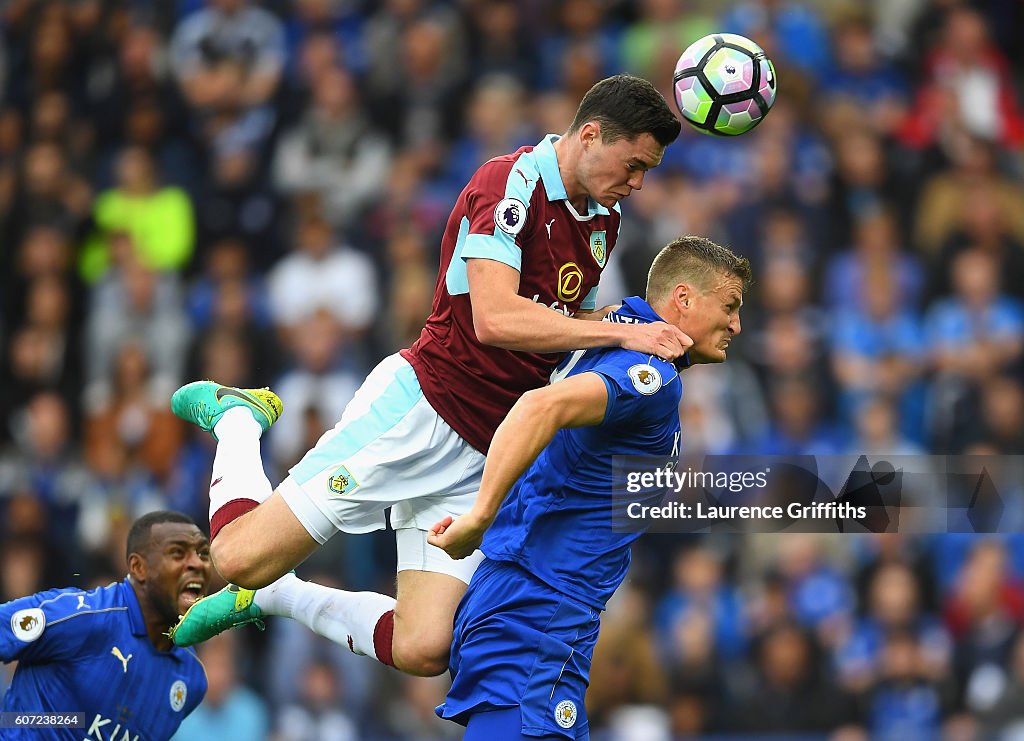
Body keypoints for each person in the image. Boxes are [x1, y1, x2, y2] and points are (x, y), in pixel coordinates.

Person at [168, 74, 685, 677]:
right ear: (591, 135)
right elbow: (495, 317)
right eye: (633, 164)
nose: (638, 182)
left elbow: (560, 321)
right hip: (422, 410)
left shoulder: (601, 220)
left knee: (424, 648)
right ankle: (237, 417)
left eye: (647, 171)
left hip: (483, 452)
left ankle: (277, 597)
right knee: (232, 558)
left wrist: (624, 324)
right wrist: (621, 332)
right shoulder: (509, 183)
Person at [429, 236, 751, 740]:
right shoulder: (651, 375)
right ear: (683, 299)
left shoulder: (610, 327)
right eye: (729, 307)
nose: (736, 325)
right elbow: (540, 406)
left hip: (538, 606)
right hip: (538, 612)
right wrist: (480, 514)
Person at [0, 511, 212, 740]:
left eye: (203, 553)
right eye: (178, 553)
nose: (196, 564)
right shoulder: (78, 618)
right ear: (139, 568)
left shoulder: (191, 679)